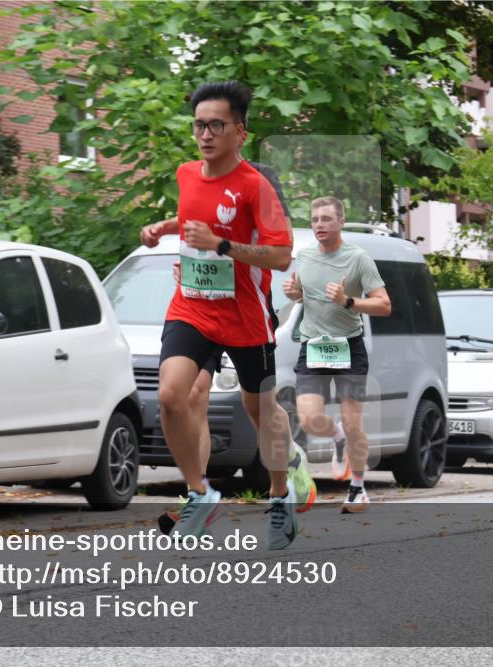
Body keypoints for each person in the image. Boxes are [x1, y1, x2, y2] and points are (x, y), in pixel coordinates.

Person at [139, 81, 314, 549]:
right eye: (199, 124)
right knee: (173, 396)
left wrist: (221, 246)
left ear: (240, 131)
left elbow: (280, 256)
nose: (205, 134)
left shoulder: (255, 186)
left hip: (245, 315)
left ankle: (280, 498)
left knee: (260, 411)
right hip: (192, 306)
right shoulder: (184, 174)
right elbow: (197, 212)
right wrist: (166, 227)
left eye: (217, 124)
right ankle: (200, 493)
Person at [283, 196, 391, 512]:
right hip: (314, 345)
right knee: (309, 417)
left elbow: (384, 305)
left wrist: (348, 301)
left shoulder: (359, 259)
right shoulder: (302, 256)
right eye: (315, 220)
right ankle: (338, 437)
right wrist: (295, 294)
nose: (319, 225)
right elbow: (306, 294)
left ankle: (357, 489)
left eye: (326, 219)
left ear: (340, 222)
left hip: (349, 346)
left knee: (354, 422)